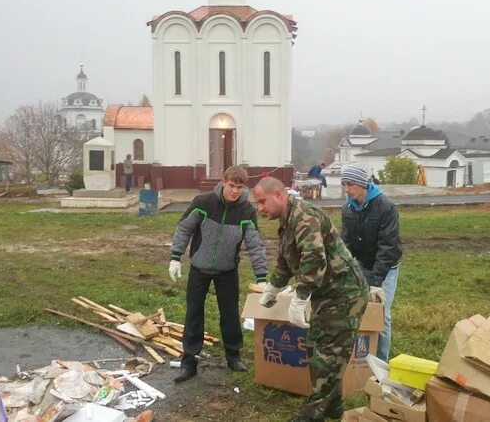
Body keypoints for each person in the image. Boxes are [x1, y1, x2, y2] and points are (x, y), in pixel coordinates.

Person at [254, 177, 368, 422]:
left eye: (263, 201)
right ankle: (335, 408)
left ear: (279, 195)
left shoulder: (305, 216)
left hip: (344, 294)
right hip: (326, 295)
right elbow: (286, 261)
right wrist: (272, 288)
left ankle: (310, 415)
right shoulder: (287, 223)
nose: (260, 208)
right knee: (316, 351)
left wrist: (300, 297)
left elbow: (315, 258)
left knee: (327, 355)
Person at [168, 166, 267, 383]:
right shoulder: (203, 203)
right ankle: (189, 361)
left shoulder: (246, 212)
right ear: (223, 182)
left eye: (240, 187)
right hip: (199, 268)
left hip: (227, 271)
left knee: (230, 314)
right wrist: (176, 256)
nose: (235, 191)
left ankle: (233, 356)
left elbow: (255, 245)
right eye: (232, 185)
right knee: (194, 313)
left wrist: (262, 277)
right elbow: (184, 228)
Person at [340, 166, 402, 362]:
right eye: (344, 185)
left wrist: (376, 282)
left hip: (386, 267)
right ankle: (361, 359)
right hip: (362, 264)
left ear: (362, 184)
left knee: (381, 313)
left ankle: (381, 362)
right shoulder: (347, 208)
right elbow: (346, 242)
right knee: (358, 308)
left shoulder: (386, 207)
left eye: (350, 184)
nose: (347, 190)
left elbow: (387, 247)